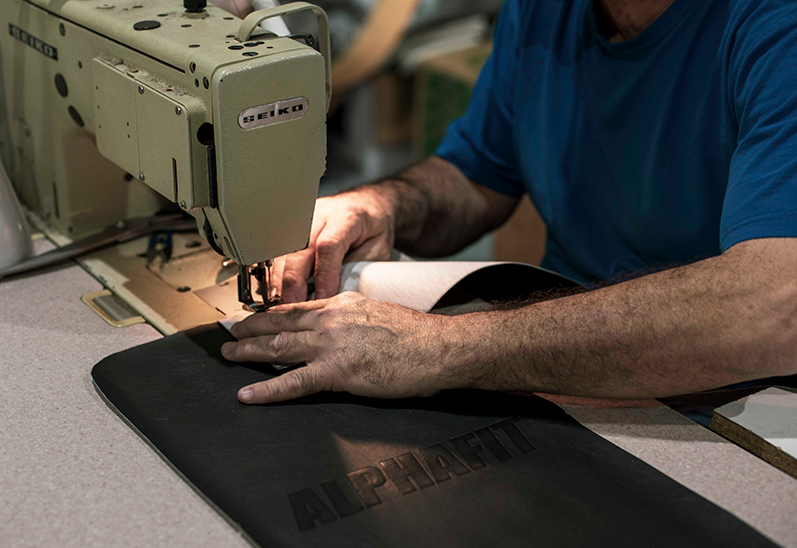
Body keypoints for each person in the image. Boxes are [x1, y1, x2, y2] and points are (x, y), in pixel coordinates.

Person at [222, 0, 797, 405]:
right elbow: (479, 174)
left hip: (742, 402)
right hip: (571, 372)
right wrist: (385, 204)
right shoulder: (549, 11)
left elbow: (774, 307)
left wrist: (439, 349)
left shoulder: (775, 24)